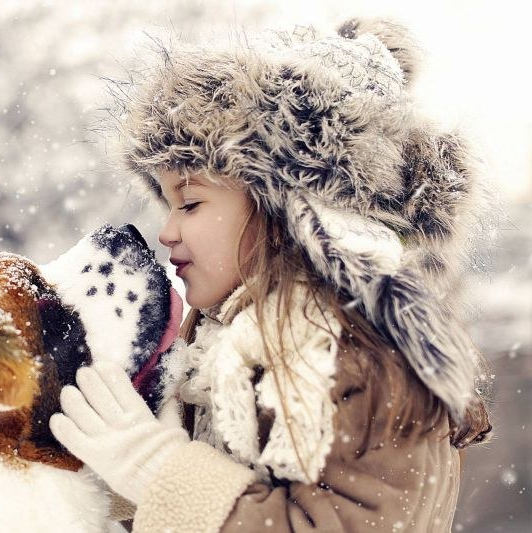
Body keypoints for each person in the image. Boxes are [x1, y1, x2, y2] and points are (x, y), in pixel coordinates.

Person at [49, 18, 493, 532]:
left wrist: (159, 471)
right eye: (166, 205)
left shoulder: (360, 353)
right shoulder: (221, 340)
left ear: (285, 210)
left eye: (190, 202)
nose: (166, 230)